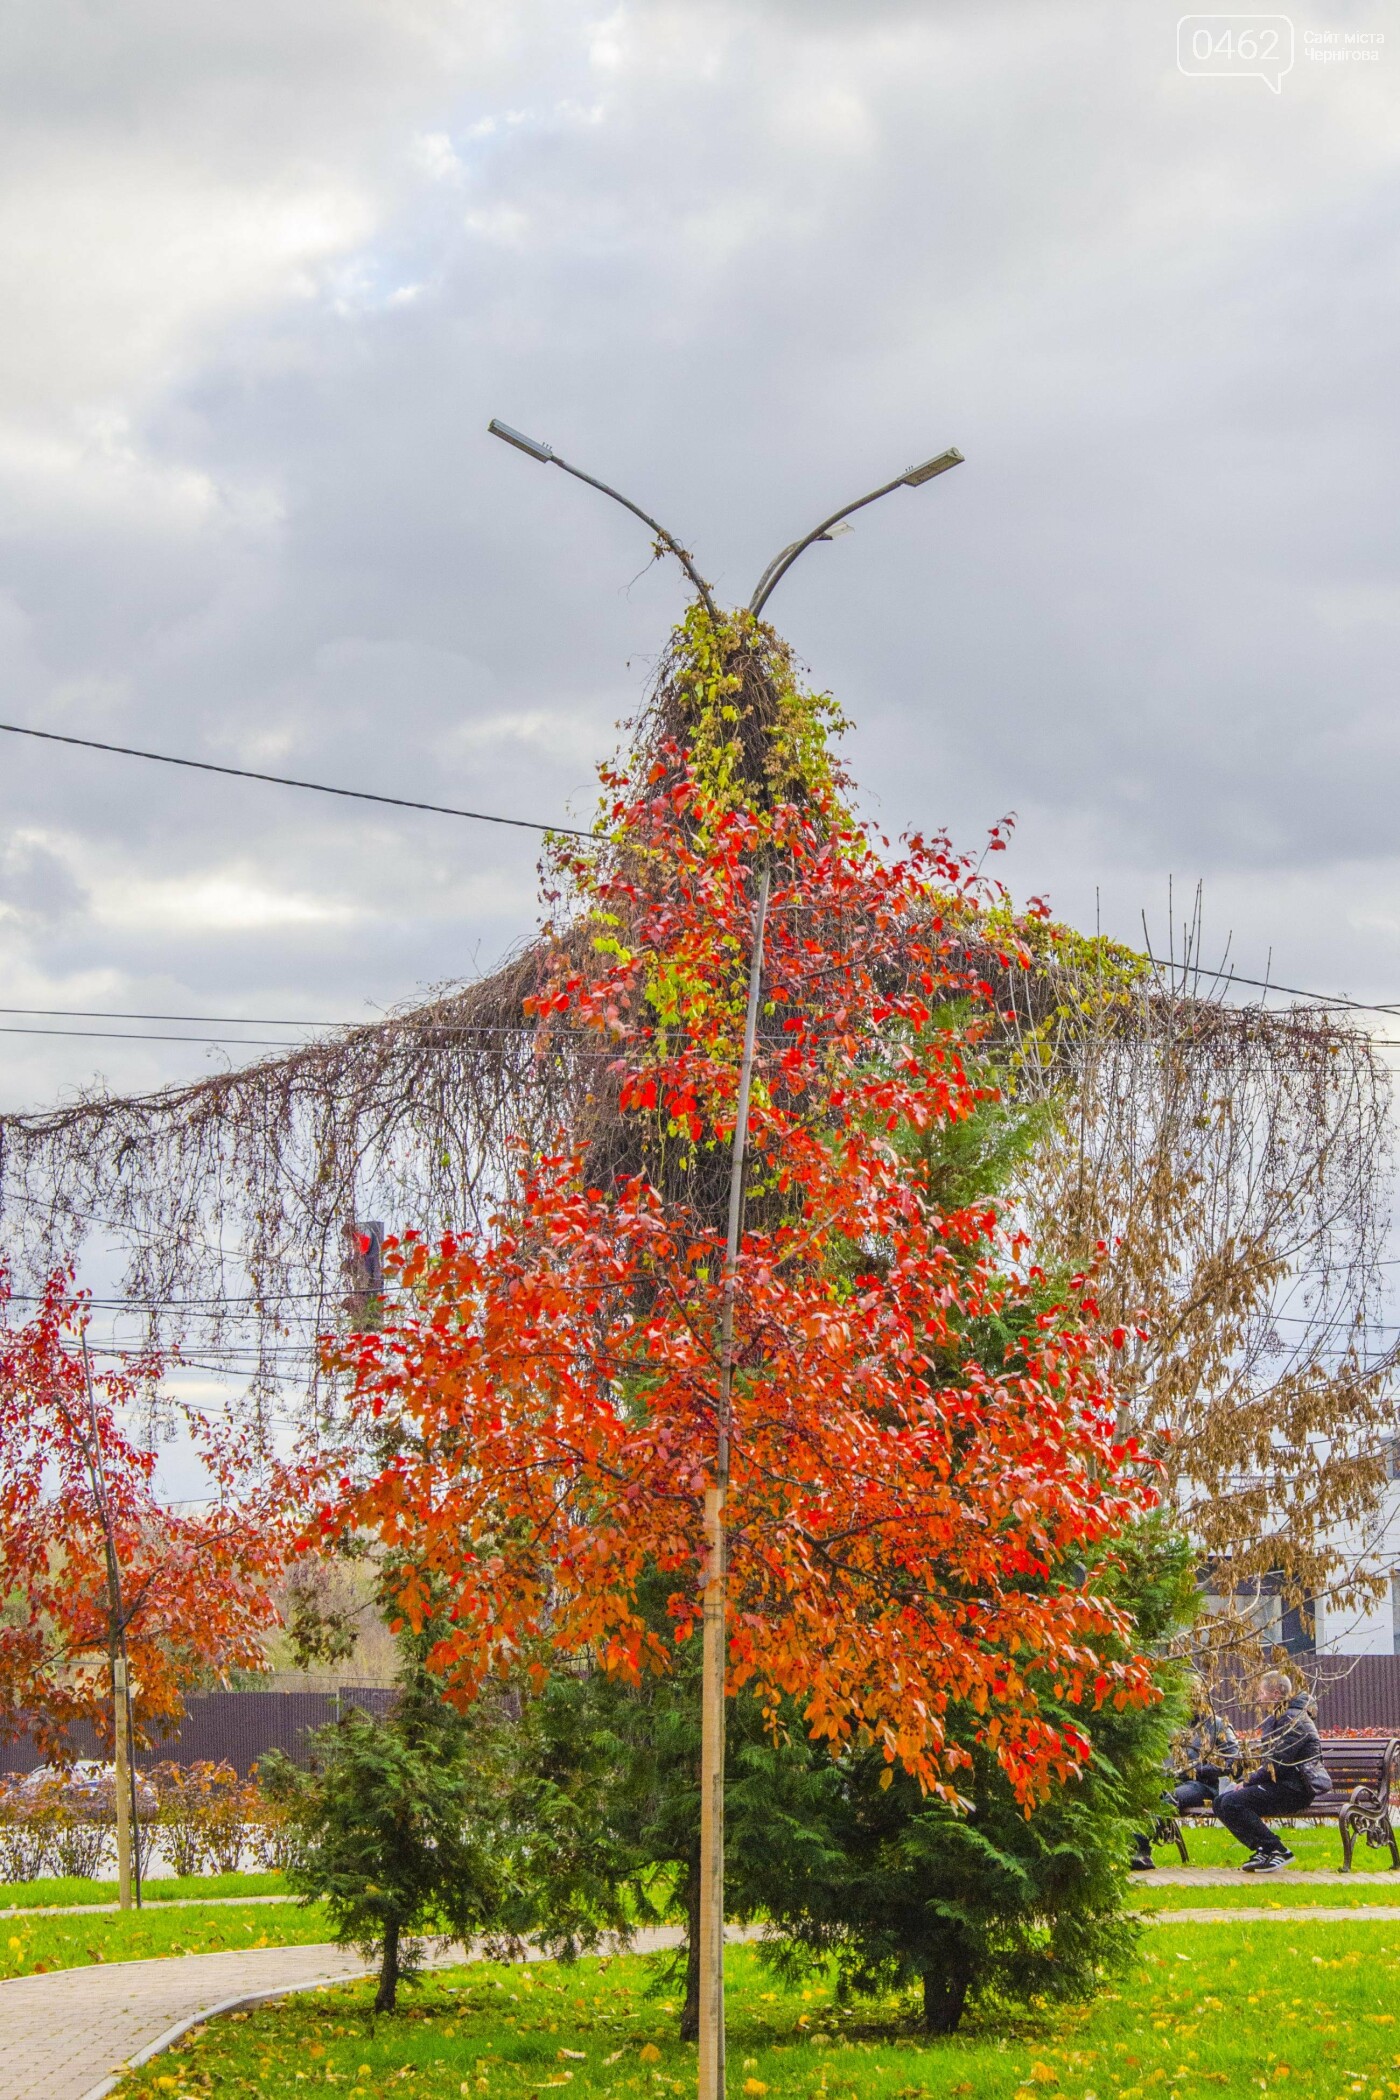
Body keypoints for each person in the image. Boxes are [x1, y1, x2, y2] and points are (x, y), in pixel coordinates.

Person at [1213, 1670, 1332, 1873]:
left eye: (1261, 1693)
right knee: (1220, 1802)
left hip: (1296, 1789)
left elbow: (1275, 1764)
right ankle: (1264, 1849)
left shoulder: (1294, 1721)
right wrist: (1244, 1779)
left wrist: (1247, 1783)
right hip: (1279, 1785)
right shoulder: (1277, 1719)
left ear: (1276, 1694)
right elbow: (1268, 1763)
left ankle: (1278, 1850)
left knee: (1233, 1801)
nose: (1258, 1699)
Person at [1130, 1679, 1241, 1871]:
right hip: (1172, 1781)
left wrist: (1195, 1770)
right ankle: (1136, 1848)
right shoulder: (1174, 1726)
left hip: (1203, 1785)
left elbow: (1233, 1762)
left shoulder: (1218, 1726)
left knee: (1170, 1798)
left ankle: (1140, 1850)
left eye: (1190, 1696)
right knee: (1145, 1794)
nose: (1186, 1701)